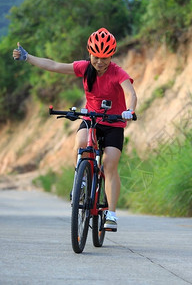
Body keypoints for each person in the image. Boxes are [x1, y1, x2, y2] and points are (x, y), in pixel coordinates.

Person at [13, 28, 137, 231]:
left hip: (114, 123)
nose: (99, 62)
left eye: (105, 58)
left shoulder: (118, 73)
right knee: (81, 142)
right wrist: (28, 58)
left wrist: (129, 111)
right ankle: (80, 182)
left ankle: (112, 214)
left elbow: (131, 93)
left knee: (110, 163)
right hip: (92, 118)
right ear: (90, 54)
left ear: (111, 56)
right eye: (96, 57)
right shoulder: (84, 68)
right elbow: (54, 65)